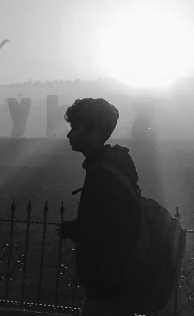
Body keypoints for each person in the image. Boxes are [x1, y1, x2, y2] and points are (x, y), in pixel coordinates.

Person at [56, 98, 143, 316]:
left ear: (93, 132)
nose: (69, 134)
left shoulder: (102, 174)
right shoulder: (111, 168)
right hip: (117, 286)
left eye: (75, 128)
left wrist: (73, 230)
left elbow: (104, 229)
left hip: (107, 288)